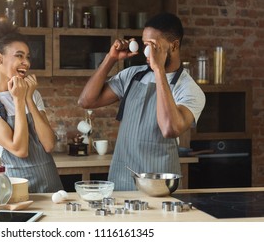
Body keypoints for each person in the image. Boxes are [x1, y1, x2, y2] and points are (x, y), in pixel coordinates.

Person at [78, 12, 205, 191]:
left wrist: (158, 69)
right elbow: (86, 101)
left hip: (160, 185)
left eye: (153, 46)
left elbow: (170, 128)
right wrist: (111, 58)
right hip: (122, 179)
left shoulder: (189, 89)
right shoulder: (132, 75)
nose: (147, 52)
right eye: (145, 45)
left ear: (174, 45)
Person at [0, 21, 63, 193]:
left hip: (52, 187)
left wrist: (28, 98)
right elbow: (20, 150)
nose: (26, 63)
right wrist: (19, 100)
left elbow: (49, 144)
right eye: (19, 56)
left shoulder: (33, 95)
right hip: (18, 189)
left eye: (28, 57)